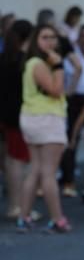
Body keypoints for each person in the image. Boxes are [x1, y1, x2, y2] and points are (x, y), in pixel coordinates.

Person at [16, 25, 72, 233]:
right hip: (46, 118)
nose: (49, 41)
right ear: (35, 40)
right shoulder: (39, 64)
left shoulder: (33, 63)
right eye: (44, 37)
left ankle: (24, 217)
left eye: (52, 37)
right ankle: (57, 219)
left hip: (33, 118)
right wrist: (58, 67)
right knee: (48, 173)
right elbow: (56, 90)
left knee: (36, 169)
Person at [0, 19, 36, 221]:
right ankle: (17, 206)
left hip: (6, 115)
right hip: (19, 116)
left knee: (11, 159)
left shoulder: (5, 58)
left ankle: (17, 205)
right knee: (18, 161)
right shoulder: (24, 62)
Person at [60, 24, 84, 197]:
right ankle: (69, 181)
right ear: (79, 38)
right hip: (74, 100)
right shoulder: (71, 57)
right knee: (71, 141)